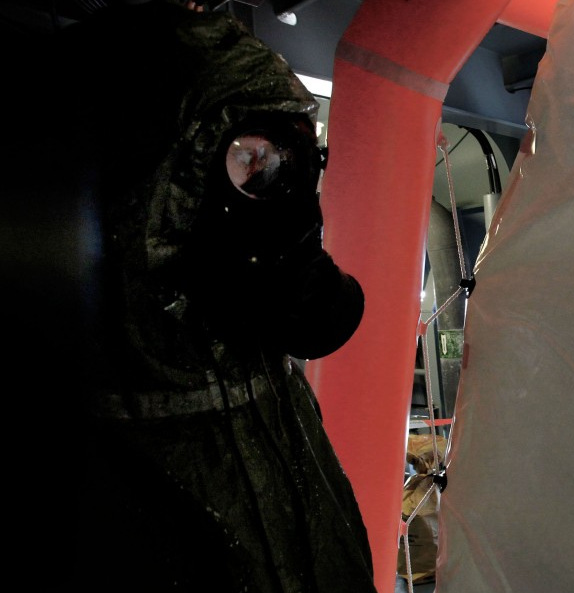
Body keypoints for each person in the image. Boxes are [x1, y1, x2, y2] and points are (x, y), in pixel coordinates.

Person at [65, 3, 377, 590]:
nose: (277, 185)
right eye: (249, 156)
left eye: (293, 159)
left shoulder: (250, 333)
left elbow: (324, 313)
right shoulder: (118, 422)